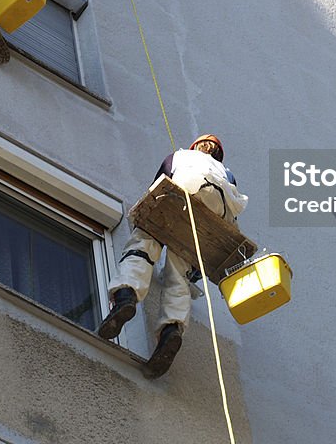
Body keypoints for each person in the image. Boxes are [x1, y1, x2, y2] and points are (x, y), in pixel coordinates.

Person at [98, 134, 248, 377]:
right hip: (219, 209)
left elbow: (157, 187)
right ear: (217, 154)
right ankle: (171, 329)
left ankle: (126, 295)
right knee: (181, 269)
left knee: (145, 239)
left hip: (185, 187)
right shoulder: (226, 172)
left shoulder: (179, 155)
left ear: (196, 147)